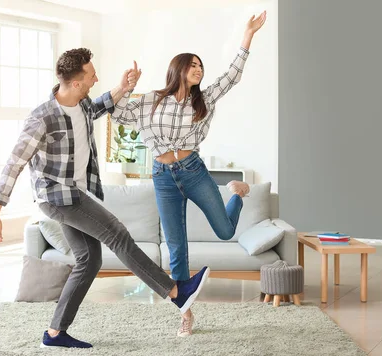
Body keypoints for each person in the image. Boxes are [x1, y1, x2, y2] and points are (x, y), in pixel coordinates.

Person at [0, 48, 210, 349]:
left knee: (89, 259)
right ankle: (175, 292)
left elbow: (102, 105)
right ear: (77, 82)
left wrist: (124, 87)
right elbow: (15, 162)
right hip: (57, 197)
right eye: (91, 76)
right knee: (118, 234)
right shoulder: (42, 118)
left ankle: (55, 333)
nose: (96, 79)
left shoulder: (81, 105)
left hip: (75, 192)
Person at [110, 11, 267, 337]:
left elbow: (232, 76)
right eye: (193, 65)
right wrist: (126, 87)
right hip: (162, 177)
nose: (198, 70)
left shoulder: (204, 99)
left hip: (193, 171)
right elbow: (117, 113)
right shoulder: (152, 100)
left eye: (201, 67)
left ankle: (238, 193)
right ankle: (186, 313)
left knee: (225, 231)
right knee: (176, 248)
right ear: (178, 68)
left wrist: (247, 35)